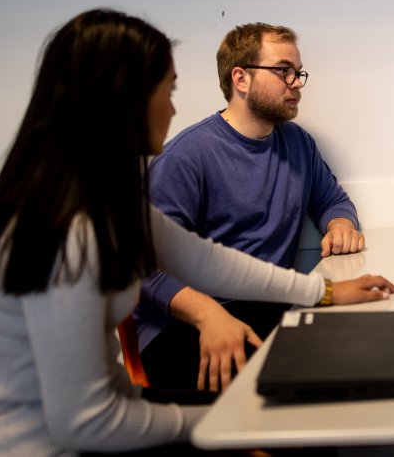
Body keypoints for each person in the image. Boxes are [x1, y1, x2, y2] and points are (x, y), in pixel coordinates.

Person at [0, 9, 394, 456]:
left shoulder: (106, 202)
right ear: (122, 101)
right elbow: (86, 426)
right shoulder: (62, 234)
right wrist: (234, 419)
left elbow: (206, 261)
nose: (174, 106)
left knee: (300, 414)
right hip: (56, 447)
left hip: (105, 420)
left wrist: (323, 293)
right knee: (292, 422)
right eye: (168, 89)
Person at [134, 23, 364, 392]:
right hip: (183, 326)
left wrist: (340, 223)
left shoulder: (298, 144)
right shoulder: (186, 157)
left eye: (298, 72)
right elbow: (150, 271)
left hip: (266, 305)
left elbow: (333, 200)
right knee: (304, 390)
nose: (296, 83)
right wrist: (209, 314)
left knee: (349, 357)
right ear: (240, 78)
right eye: (283, 70)